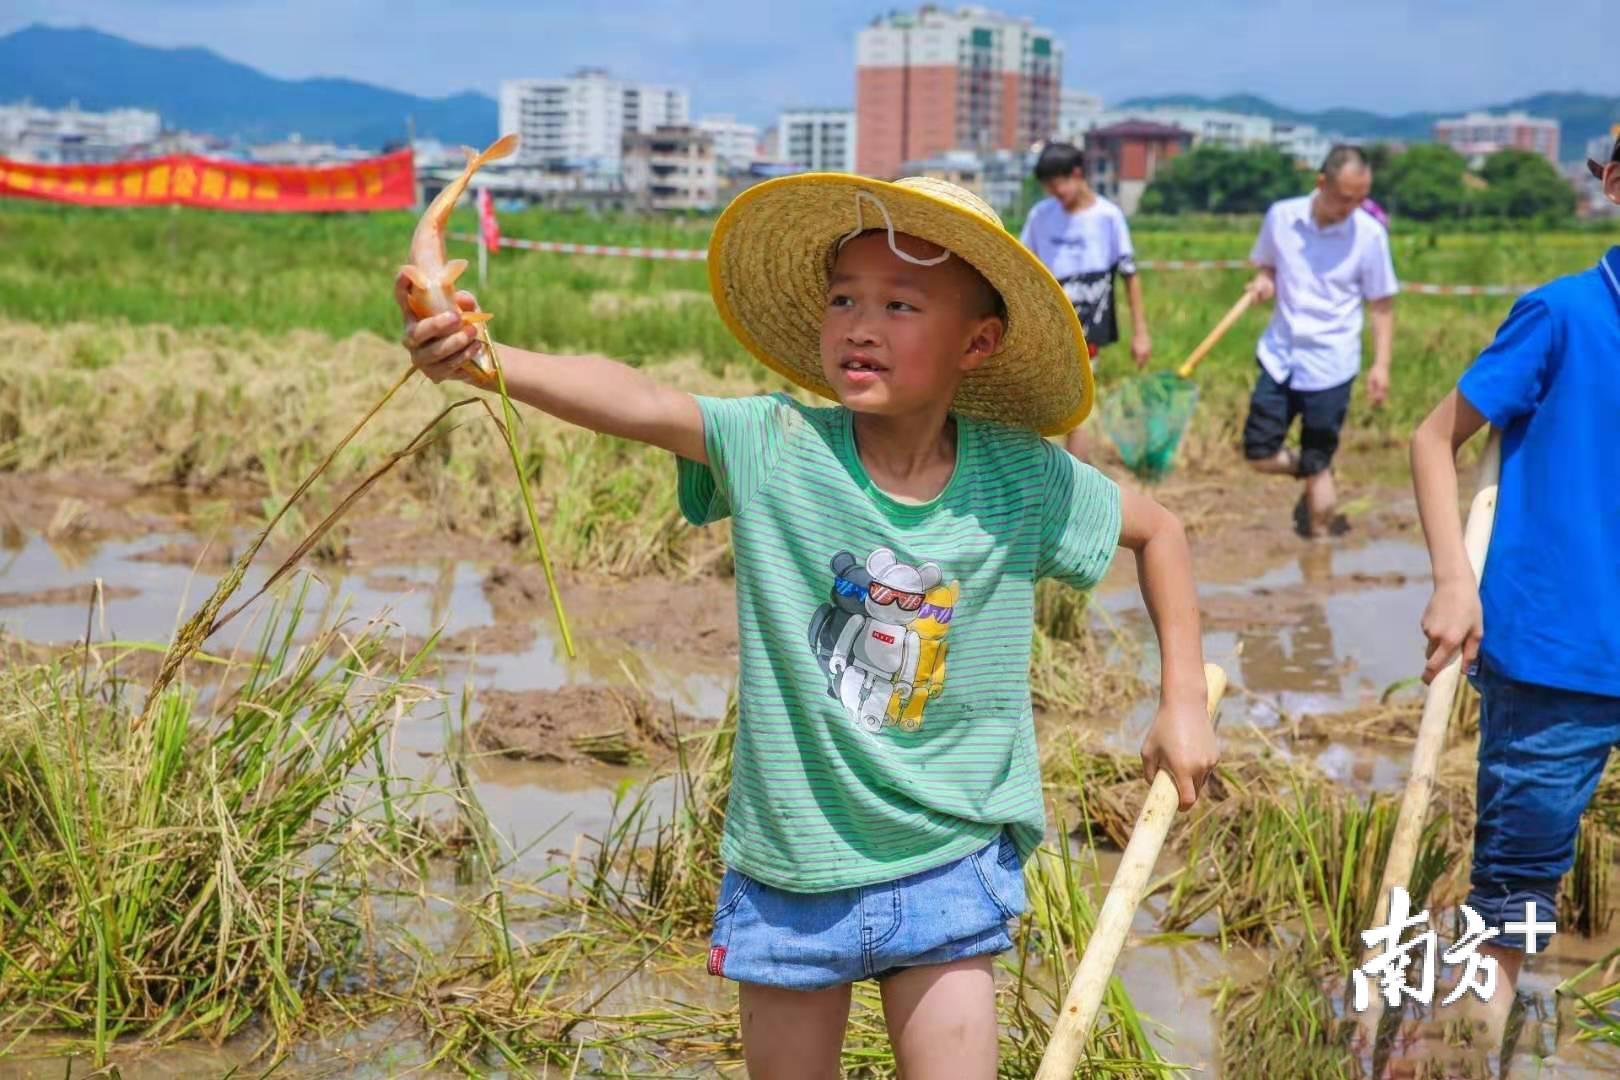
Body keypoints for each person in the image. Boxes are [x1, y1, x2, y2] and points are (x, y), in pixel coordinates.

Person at [395, 174, 1218, 1078]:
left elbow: (1160, 533)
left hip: (946, 859)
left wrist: (1181, 701)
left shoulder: (1019, 477)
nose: (861, 326)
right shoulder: (776, 444)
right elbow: (640, 399)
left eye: (900, 305)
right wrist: (488, 360)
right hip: (790, 873)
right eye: (844, 300)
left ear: (977, 342)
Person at [1410, 139, 1620, 1033]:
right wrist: (1454, 580)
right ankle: (1466, 1044)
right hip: (1554, 661)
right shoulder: (1563, 315)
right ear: (1614, 182)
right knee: (1513, 904)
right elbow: (1432, 439)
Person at [1243, 144, 1398, 538]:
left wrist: (1381, 366)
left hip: (1332, 362)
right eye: (1345, 198)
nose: (1352, 208)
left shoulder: (1369, 235)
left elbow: (1381, 305)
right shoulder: (1281, 217)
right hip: (1280, 354)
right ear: (1321, 182)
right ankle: (1315, 468)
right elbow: (1267, 266)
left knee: (1319, 462)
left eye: (1361, 199)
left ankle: (1319, 545)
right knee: (1259, 452)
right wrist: (1263, 281)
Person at [1019, 141, 1150, 462]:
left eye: (1059, 184)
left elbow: (1129, 274)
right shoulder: (1041, 216)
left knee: (1078, 402)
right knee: (1035, 402)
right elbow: (1021, 266)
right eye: (1049, 187)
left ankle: (1079, 480)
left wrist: (1140, 333)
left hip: (1088, 325)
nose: (1055, 193)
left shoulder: (1108, 217)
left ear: (1077, 174)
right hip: (1046, 323)